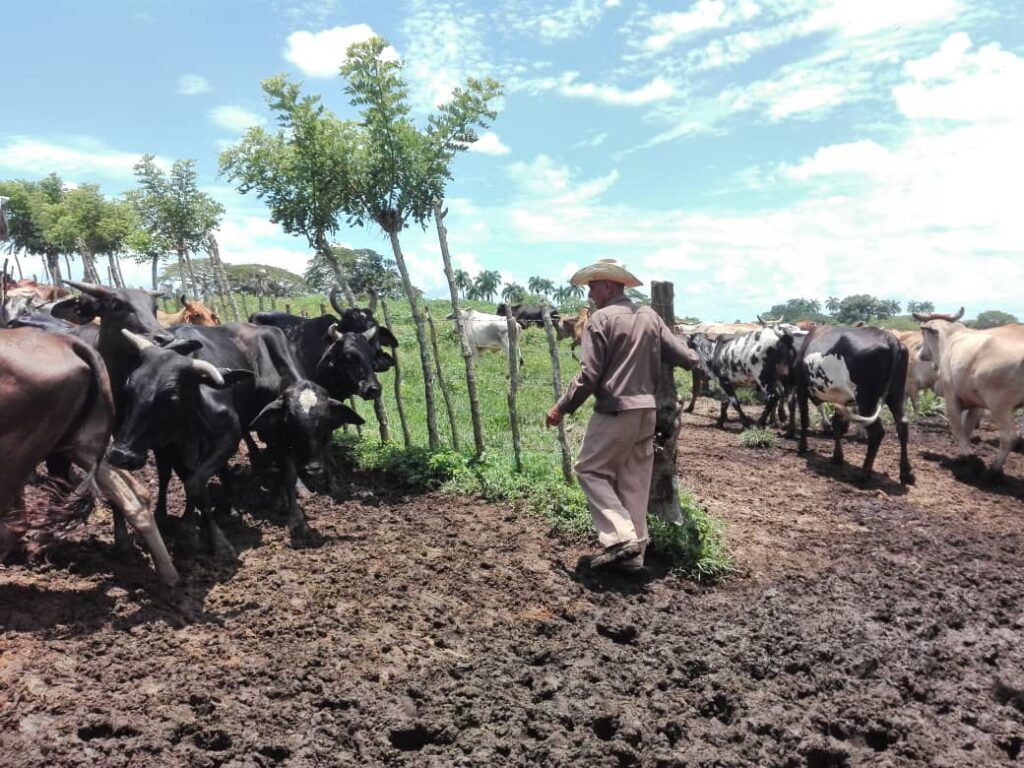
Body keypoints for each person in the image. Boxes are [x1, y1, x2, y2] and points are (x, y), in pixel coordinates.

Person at [546, 259, 698, 572]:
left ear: (610, 285)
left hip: (616, 410)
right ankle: (635, 557)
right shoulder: (650, 317)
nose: (589, 292)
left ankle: (621, 537)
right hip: (647, 412)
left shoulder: (600, 320)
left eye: (593, 285)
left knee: (589, 469)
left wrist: (561, 407)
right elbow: (686, 357)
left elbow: (589, 376)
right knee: (633, 481)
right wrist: (692, 353)